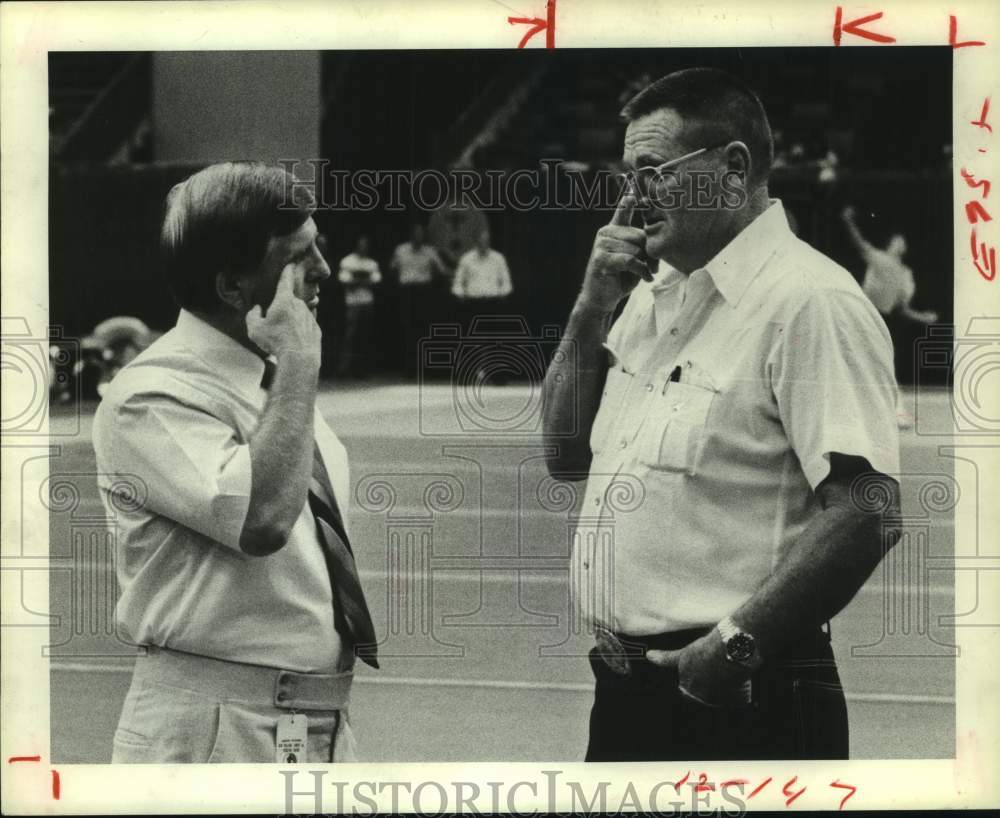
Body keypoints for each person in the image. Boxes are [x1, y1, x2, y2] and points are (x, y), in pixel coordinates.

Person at [542, 68, 902, 761]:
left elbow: (867, 509)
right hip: (626, 694)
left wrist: (734, 646)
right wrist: (590, 309)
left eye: (652, 171)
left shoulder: (809, 300)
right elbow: (564, 454)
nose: (632, 199)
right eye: (626, 176)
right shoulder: (651, 294)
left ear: (733, 170)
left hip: (741, 695)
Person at [92, 162, 379, 764]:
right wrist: (300, 361)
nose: (324, 268)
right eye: (300, 256)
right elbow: (262, 520)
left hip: (310, 722)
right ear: (232, 288)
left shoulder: (268, 381)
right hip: (213, 725)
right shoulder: (152, 394)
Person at [840, 204, 938, 398]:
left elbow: (903, 309)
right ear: (890, 244)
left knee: (881, 360)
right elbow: (858, 242)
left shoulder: (905, 275)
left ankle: (887, 401)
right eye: (896, 240)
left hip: (883, 318)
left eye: (902, 241)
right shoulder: (879, 258)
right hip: (862, 313)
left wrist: (923, 318)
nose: (900, 242)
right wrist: (848, 221)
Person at [390, 223, 446, 378]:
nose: (418, 237)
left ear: (424, 236)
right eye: (415, 234)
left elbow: (441, 271)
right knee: (407, 329)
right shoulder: (401, 250)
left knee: (423, 331)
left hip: (423, 292)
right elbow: (393, 269)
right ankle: (408, 369)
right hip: (406, 292)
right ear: (411, 235)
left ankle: (423, 369)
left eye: (421, 234)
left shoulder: (430, 252)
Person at [336, 235, 381, 378]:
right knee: (350, 337)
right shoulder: (348, 261)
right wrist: (364, 278)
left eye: (366, 244)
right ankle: (344, 369)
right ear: (357, 245)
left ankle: (362, 369)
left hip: (367, 302)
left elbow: (376, 280)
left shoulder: (371, 263)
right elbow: (344, 280)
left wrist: (357, 278)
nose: (363, 247)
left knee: (365, 336)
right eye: (361, 244)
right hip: (352, 303)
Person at [451, 228, 513, 327]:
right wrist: (460, 295)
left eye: (486, 241)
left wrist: (503, 294)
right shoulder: (466, 258)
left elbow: (507, 282)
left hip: (493, 304)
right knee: (472, 338)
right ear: (476, 241)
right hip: (472, 304)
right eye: (481, 240)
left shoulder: (498, 258)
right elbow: (457, 283)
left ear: (489, 241)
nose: (484, 243)